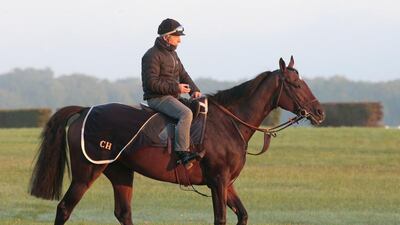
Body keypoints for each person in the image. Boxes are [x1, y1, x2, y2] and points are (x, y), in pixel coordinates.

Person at [141, 18, 202, 169]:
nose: (179, 41)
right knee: (186, 114)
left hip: (172, 96)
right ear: (166, 37)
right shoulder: (151, 55)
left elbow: (183, 74)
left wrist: (195, 91)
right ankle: (182, 153)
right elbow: (151, 83)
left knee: (200, 107)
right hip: (157, 98)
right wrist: (177, 88)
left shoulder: (173, 54)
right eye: (177, 37)